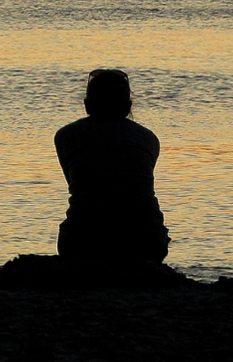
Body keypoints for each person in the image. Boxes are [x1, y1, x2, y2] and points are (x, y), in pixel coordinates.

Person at [54, 69, 170, 262]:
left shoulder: (66, 136)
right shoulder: (148, 138)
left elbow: (77, 184)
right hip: (146, 241)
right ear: (128, 106)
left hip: (82, 241)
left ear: (87, 104)